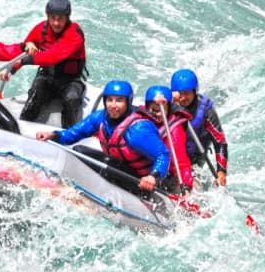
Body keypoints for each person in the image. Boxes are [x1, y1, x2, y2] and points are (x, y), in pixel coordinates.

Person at [36, 80, 170, 194]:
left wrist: (153, 177)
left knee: (103, 165)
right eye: (109, 100)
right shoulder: (101, 117)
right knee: (79, 151)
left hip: (138, 180)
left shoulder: (138, 130)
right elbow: (74, 133)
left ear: (128, 102)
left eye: (119, 101)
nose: (113, 105)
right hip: (118, 166)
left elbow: (163, 154)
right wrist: (53, 135)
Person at [0, 0, 87, 128]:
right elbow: (24, 52)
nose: (56, 23)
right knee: (36, 92)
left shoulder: (74, 34)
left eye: (60, 19)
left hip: (70, 81)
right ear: (47, 16)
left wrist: (25, 61)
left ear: (67, 17)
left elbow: (53, 57)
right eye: (53, 18)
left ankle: (68, 133)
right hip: (47, 77)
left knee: (72, 98)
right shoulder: (40, 29)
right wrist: (11, 70)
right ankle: (22, 128)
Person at [170, 69, 228, 186]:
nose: (183, 98)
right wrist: (170, 102)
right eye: (180, 93)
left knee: (193, 187)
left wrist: (221, 172)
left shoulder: (206, 111)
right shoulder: (166, 105)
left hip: (194, 161)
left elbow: (220, 142)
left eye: (187, 93)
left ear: (194, 91)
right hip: (171, 158)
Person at [141, 85, 193, 196]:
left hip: (167, 177)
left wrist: (186, 187)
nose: (156, 114)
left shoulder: (174, 133)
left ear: (168, 110)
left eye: (161, 111)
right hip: (142, 169)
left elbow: (182, 165)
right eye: (154, 110)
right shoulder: (140, 117)